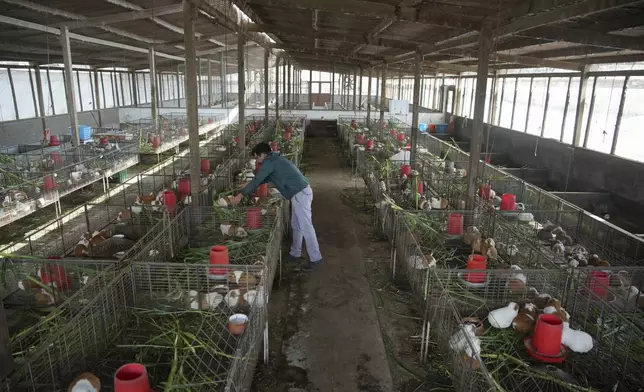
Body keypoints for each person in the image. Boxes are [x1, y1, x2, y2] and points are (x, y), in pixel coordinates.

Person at [230, 142, 322, 266]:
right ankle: (295, 252)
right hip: (298, 193)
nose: (257, 160)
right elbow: (263, 179)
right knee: (296, 224)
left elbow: (258, 180)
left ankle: (316, 258)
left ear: (263, 154)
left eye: (257, 157)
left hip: (301, 193)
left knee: (305, 225)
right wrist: (246, 185)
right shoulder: (274, 159)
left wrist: (240, 196)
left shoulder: (270, 162)